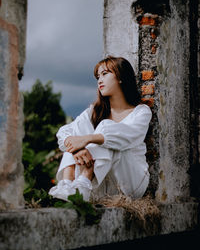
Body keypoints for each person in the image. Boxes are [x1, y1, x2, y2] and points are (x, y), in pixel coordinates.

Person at [49, 56, 152, 201]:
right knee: (72, 138)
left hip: (130, 183)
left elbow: (125, 136)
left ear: (121, 77)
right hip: (101, 188)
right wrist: (78, 147)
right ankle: (67, 184)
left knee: (105, 129)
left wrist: (88, 139)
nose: (99, 80)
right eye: (98, 76)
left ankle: (84, 180)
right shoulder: (94, 111)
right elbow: (64, 132)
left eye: (105, 74)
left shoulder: (141, 111)